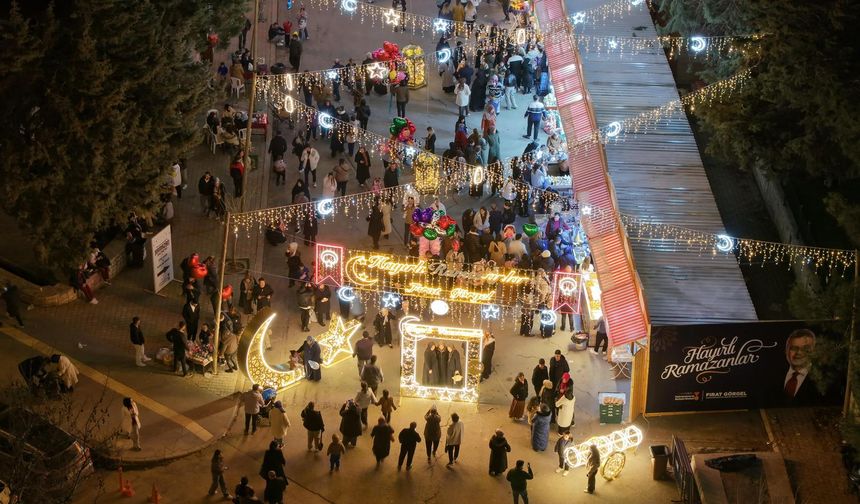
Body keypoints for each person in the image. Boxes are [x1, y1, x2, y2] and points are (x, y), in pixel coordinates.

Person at [781, 328, 818, 404]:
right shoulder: (772, 375)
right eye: (794, 348)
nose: (799, 352)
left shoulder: (822, 380)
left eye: (805, 349)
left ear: (814, 352)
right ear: (786, 351)